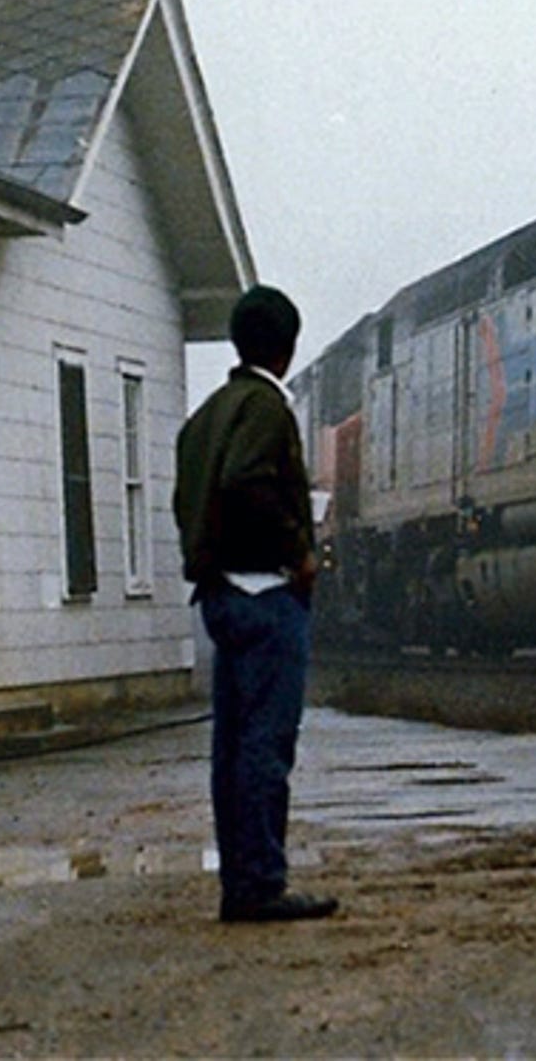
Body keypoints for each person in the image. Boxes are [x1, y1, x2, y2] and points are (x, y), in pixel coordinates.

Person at [175, 284, 339, 924]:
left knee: (233, 748)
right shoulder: (268, 409)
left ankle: (240, 879)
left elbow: (190, 494)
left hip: (220, 596)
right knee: (268, 746)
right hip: (266, 595)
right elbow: (246, 481)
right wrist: (298, 550)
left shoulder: (208, 414)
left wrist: (204, 558)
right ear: (288, 347)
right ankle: (261, 883)